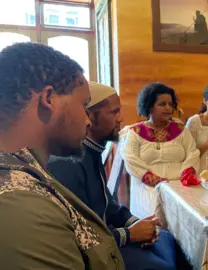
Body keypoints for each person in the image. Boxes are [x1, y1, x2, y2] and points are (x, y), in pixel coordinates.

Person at [0, 43, 123, 269]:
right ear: (49, 99)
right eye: (83, 105)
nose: (87, 121)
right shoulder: (20, 203)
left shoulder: (29, 170)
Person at [48, 82, 190, 270]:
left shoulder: (91, 152)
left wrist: (137, 223)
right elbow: (78, 235)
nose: (121, 118)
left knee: (170, 240)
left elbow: (108, 204)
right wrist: (129, 234)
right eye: (113, 112)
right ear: (88, 116)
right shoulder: (67, 163)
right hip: (96, 253)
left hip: (110, 238)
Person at [122, 82, 200, 219]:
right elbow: (130, 161)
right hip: (149, 188)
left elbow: (193, 154)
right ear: (150, 106)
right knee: (155, 219)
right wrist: (159, 183)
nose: (168, 108)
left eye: (170, 104)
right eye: (162, 104)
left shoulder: (181, 129)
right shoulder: (135, 132)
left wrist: (183, 177)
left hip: (179, 186)